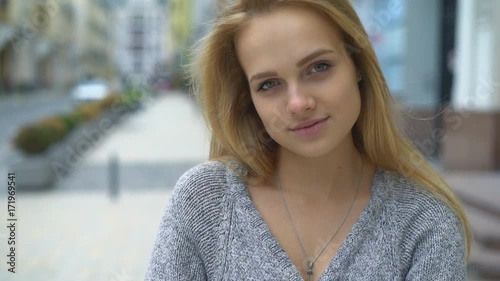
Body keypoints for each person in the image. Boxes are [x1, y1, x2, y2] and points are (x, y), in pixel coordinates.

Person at [145, 1, 471, 280]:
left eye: (318, 67)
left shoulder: (425, 223)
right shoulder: (205, 202)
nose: (298, 104)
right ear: (248, 100)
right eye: (269, 84)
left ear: (357, 64)